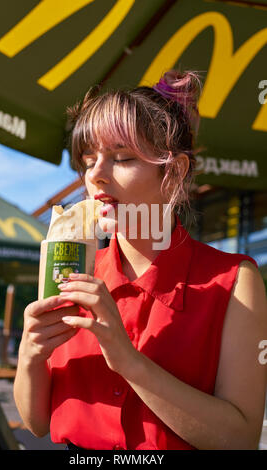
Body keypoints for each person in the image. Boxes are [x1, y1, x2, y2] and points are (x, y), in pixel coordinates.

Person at [14, 70, 267, 450]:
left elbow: (241, 439)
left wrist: (128, 361)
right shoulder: (74, 268)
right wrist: (30, 354)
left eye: (121, 157)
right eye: (88, 159)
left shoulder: (234, 280)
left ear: (174, 171)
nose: (95, 175)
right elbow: (36, 424)